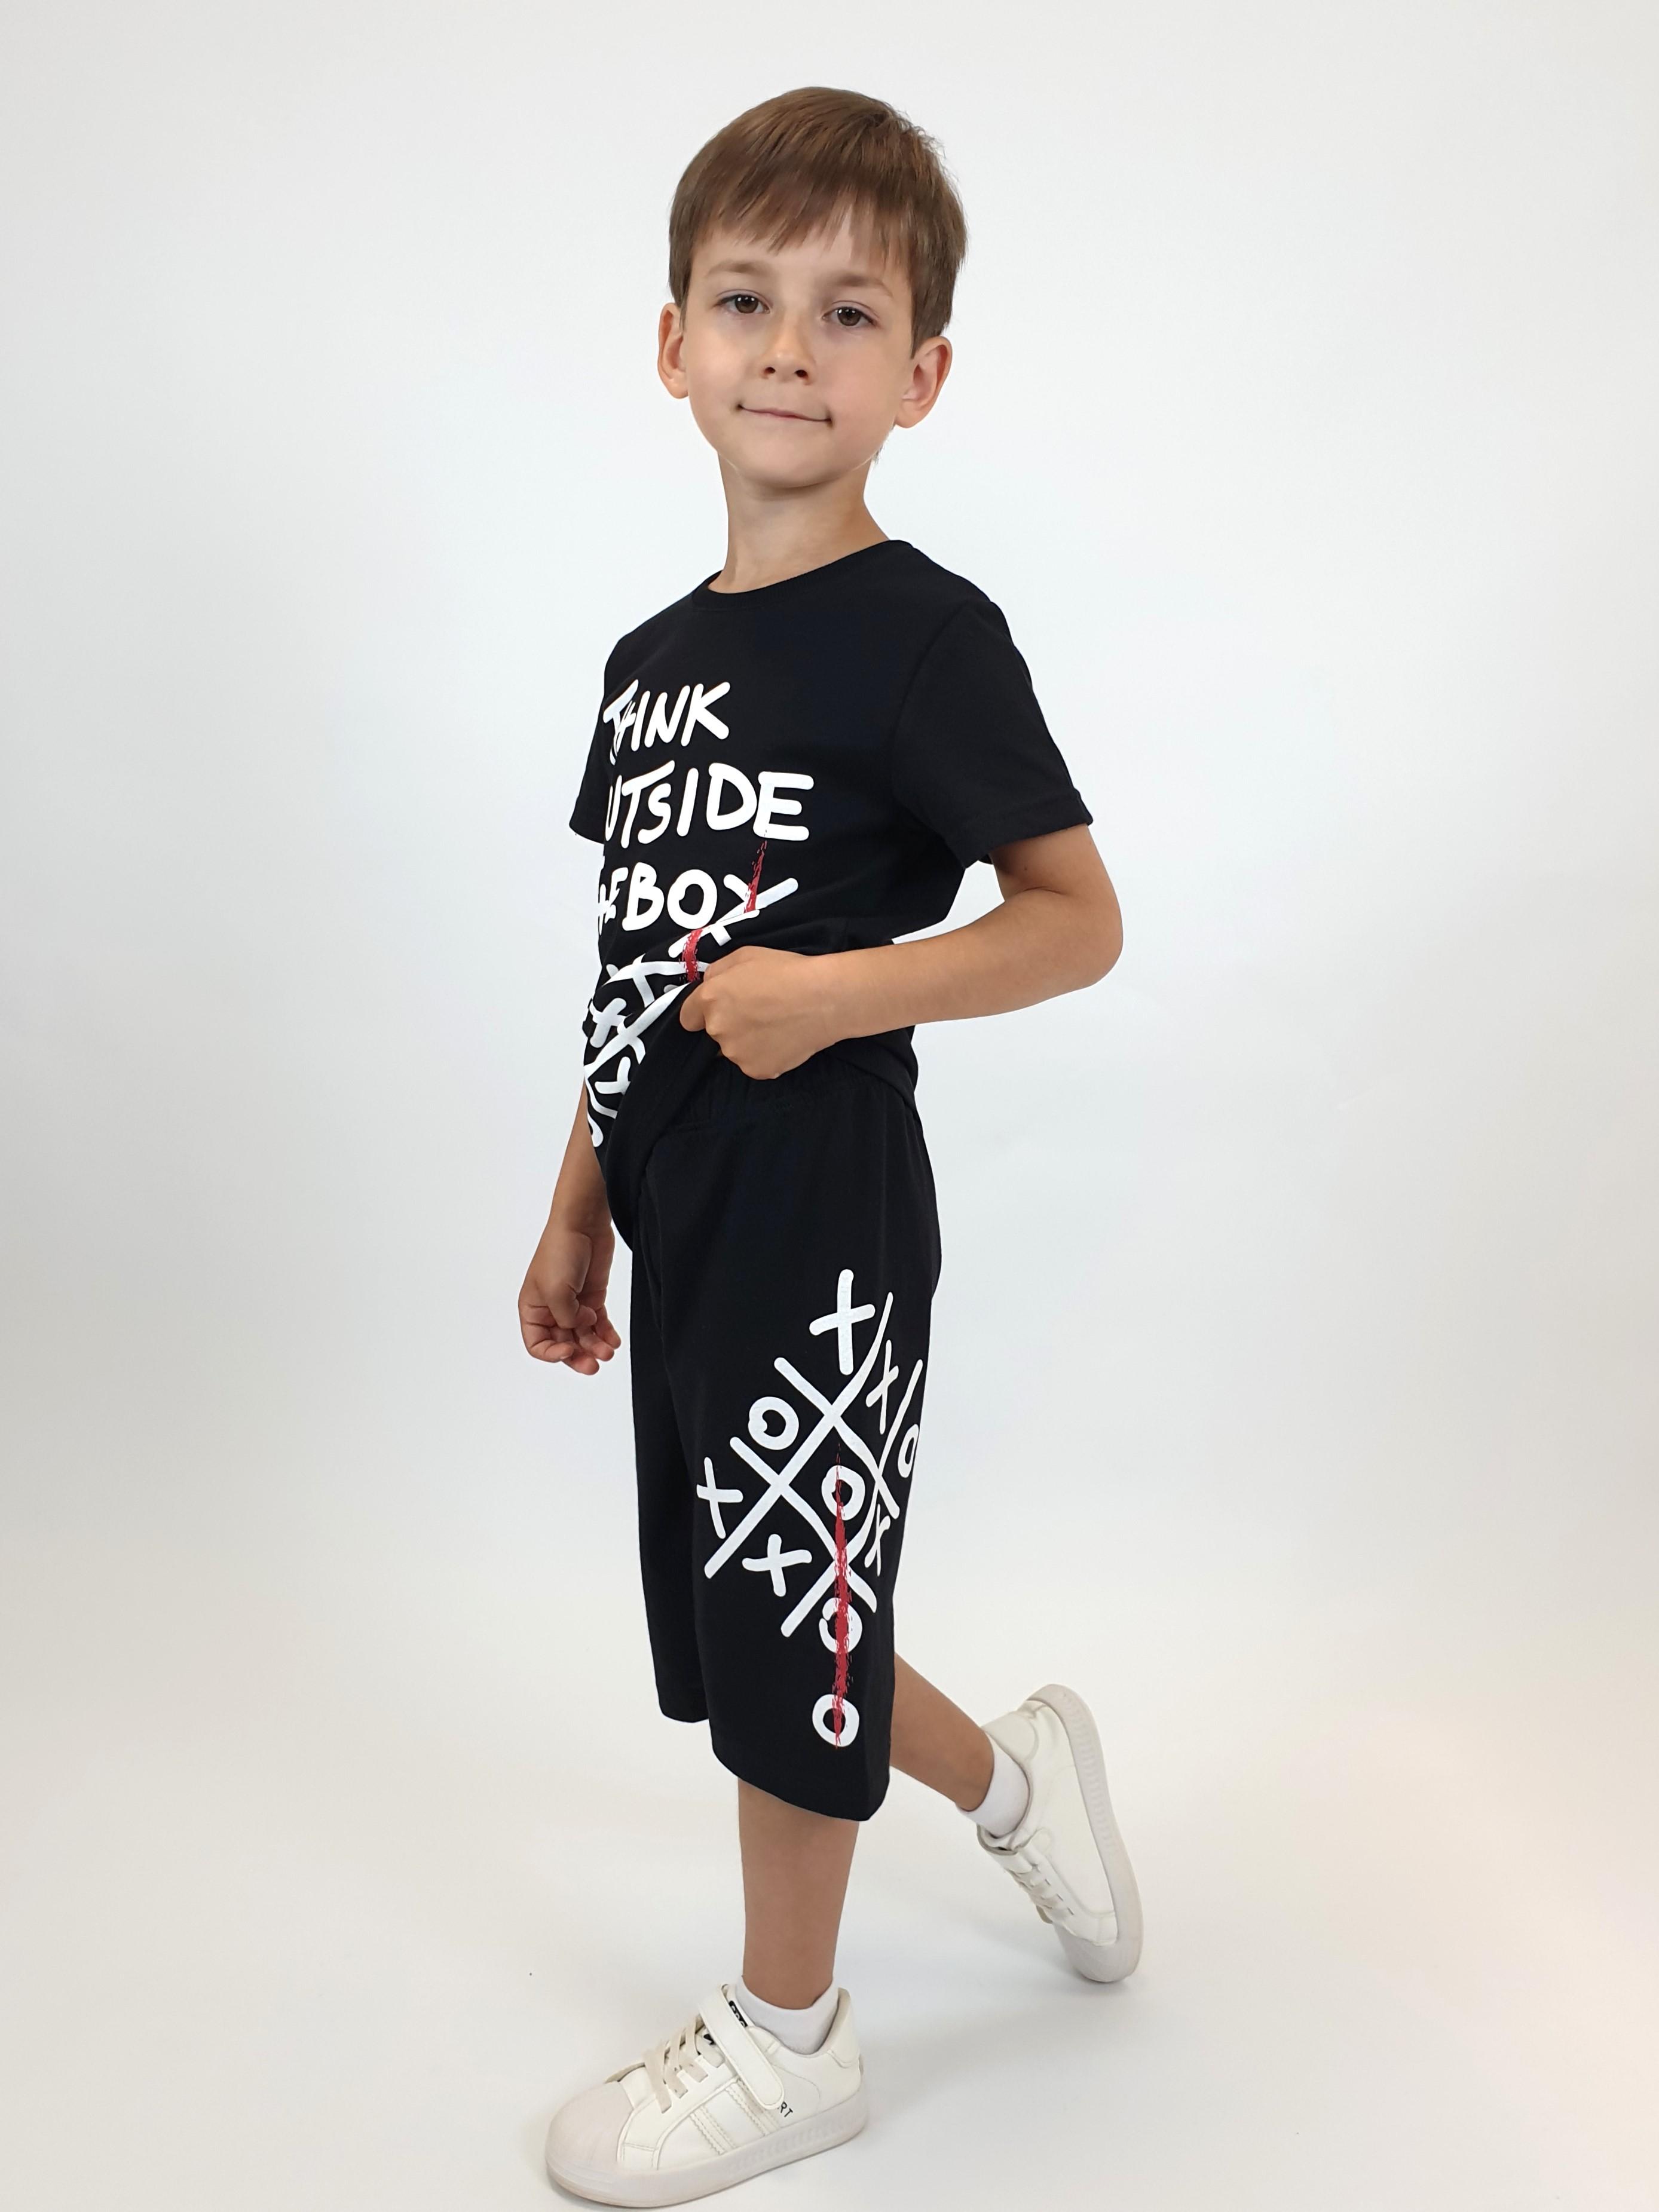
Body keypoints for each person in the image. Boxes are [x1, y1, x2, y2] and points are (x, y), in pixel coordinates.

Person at [519, 84, 1140, 2205]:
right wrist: (579, 1207)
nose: (791, 348)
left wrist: (837, 991)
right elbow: (636, 967)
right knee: (762, 1609)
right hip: (679, 1201)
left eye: (849, 312)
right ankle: (1019, 1781)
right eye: (746, 301)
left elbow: (1077, 920)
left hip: (826, 1206)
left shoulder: (925, 638)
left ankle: (793, 2041)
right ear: (672, 344)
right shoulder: (646, 670)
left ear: (921, 375)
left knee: (792, 1610)